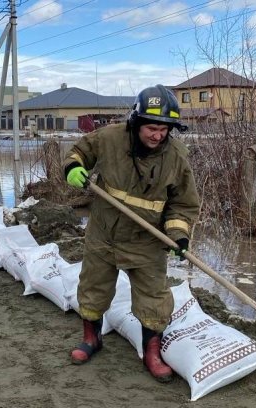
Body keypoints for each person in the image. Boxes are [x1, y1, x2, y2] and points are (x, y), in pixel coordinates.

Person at [63, 84, 200, 382]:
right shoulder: (110, 137)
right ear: (136, 123)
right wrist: (73, 168)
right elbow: (78, 152)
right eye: (152, 128)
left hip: (147, 239)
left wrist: (178, 234)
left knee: (154, 297)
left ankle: (152, 351)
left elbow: (183, 204)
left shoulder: (176, 156)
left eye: (164, 130)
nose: (158, 135)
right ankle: (92, 339)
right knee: (92, 288)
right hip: (104, 233)